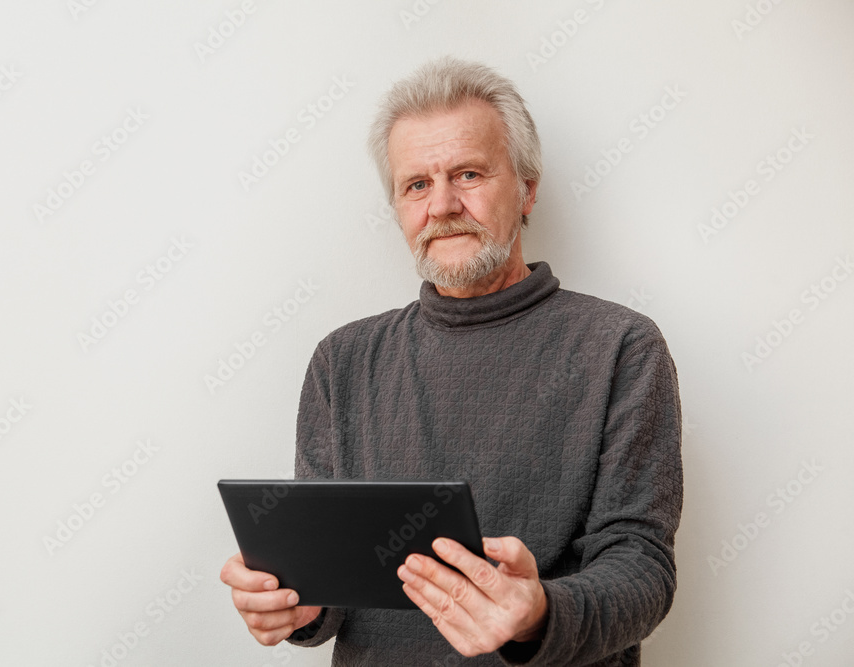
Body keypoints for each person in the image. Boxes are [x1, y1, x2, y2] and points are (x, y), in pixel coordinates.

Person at [221, 57, 683, 666]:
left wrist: (540, 611)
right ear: (397, 206)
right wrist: (297, 604)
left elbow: (641, 563)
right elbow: (332, 572)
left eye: (468, 173)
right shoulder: (343, 360)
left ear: (526, 188)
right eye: (417, 184)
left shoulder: (621, 345)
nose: (441, 205)